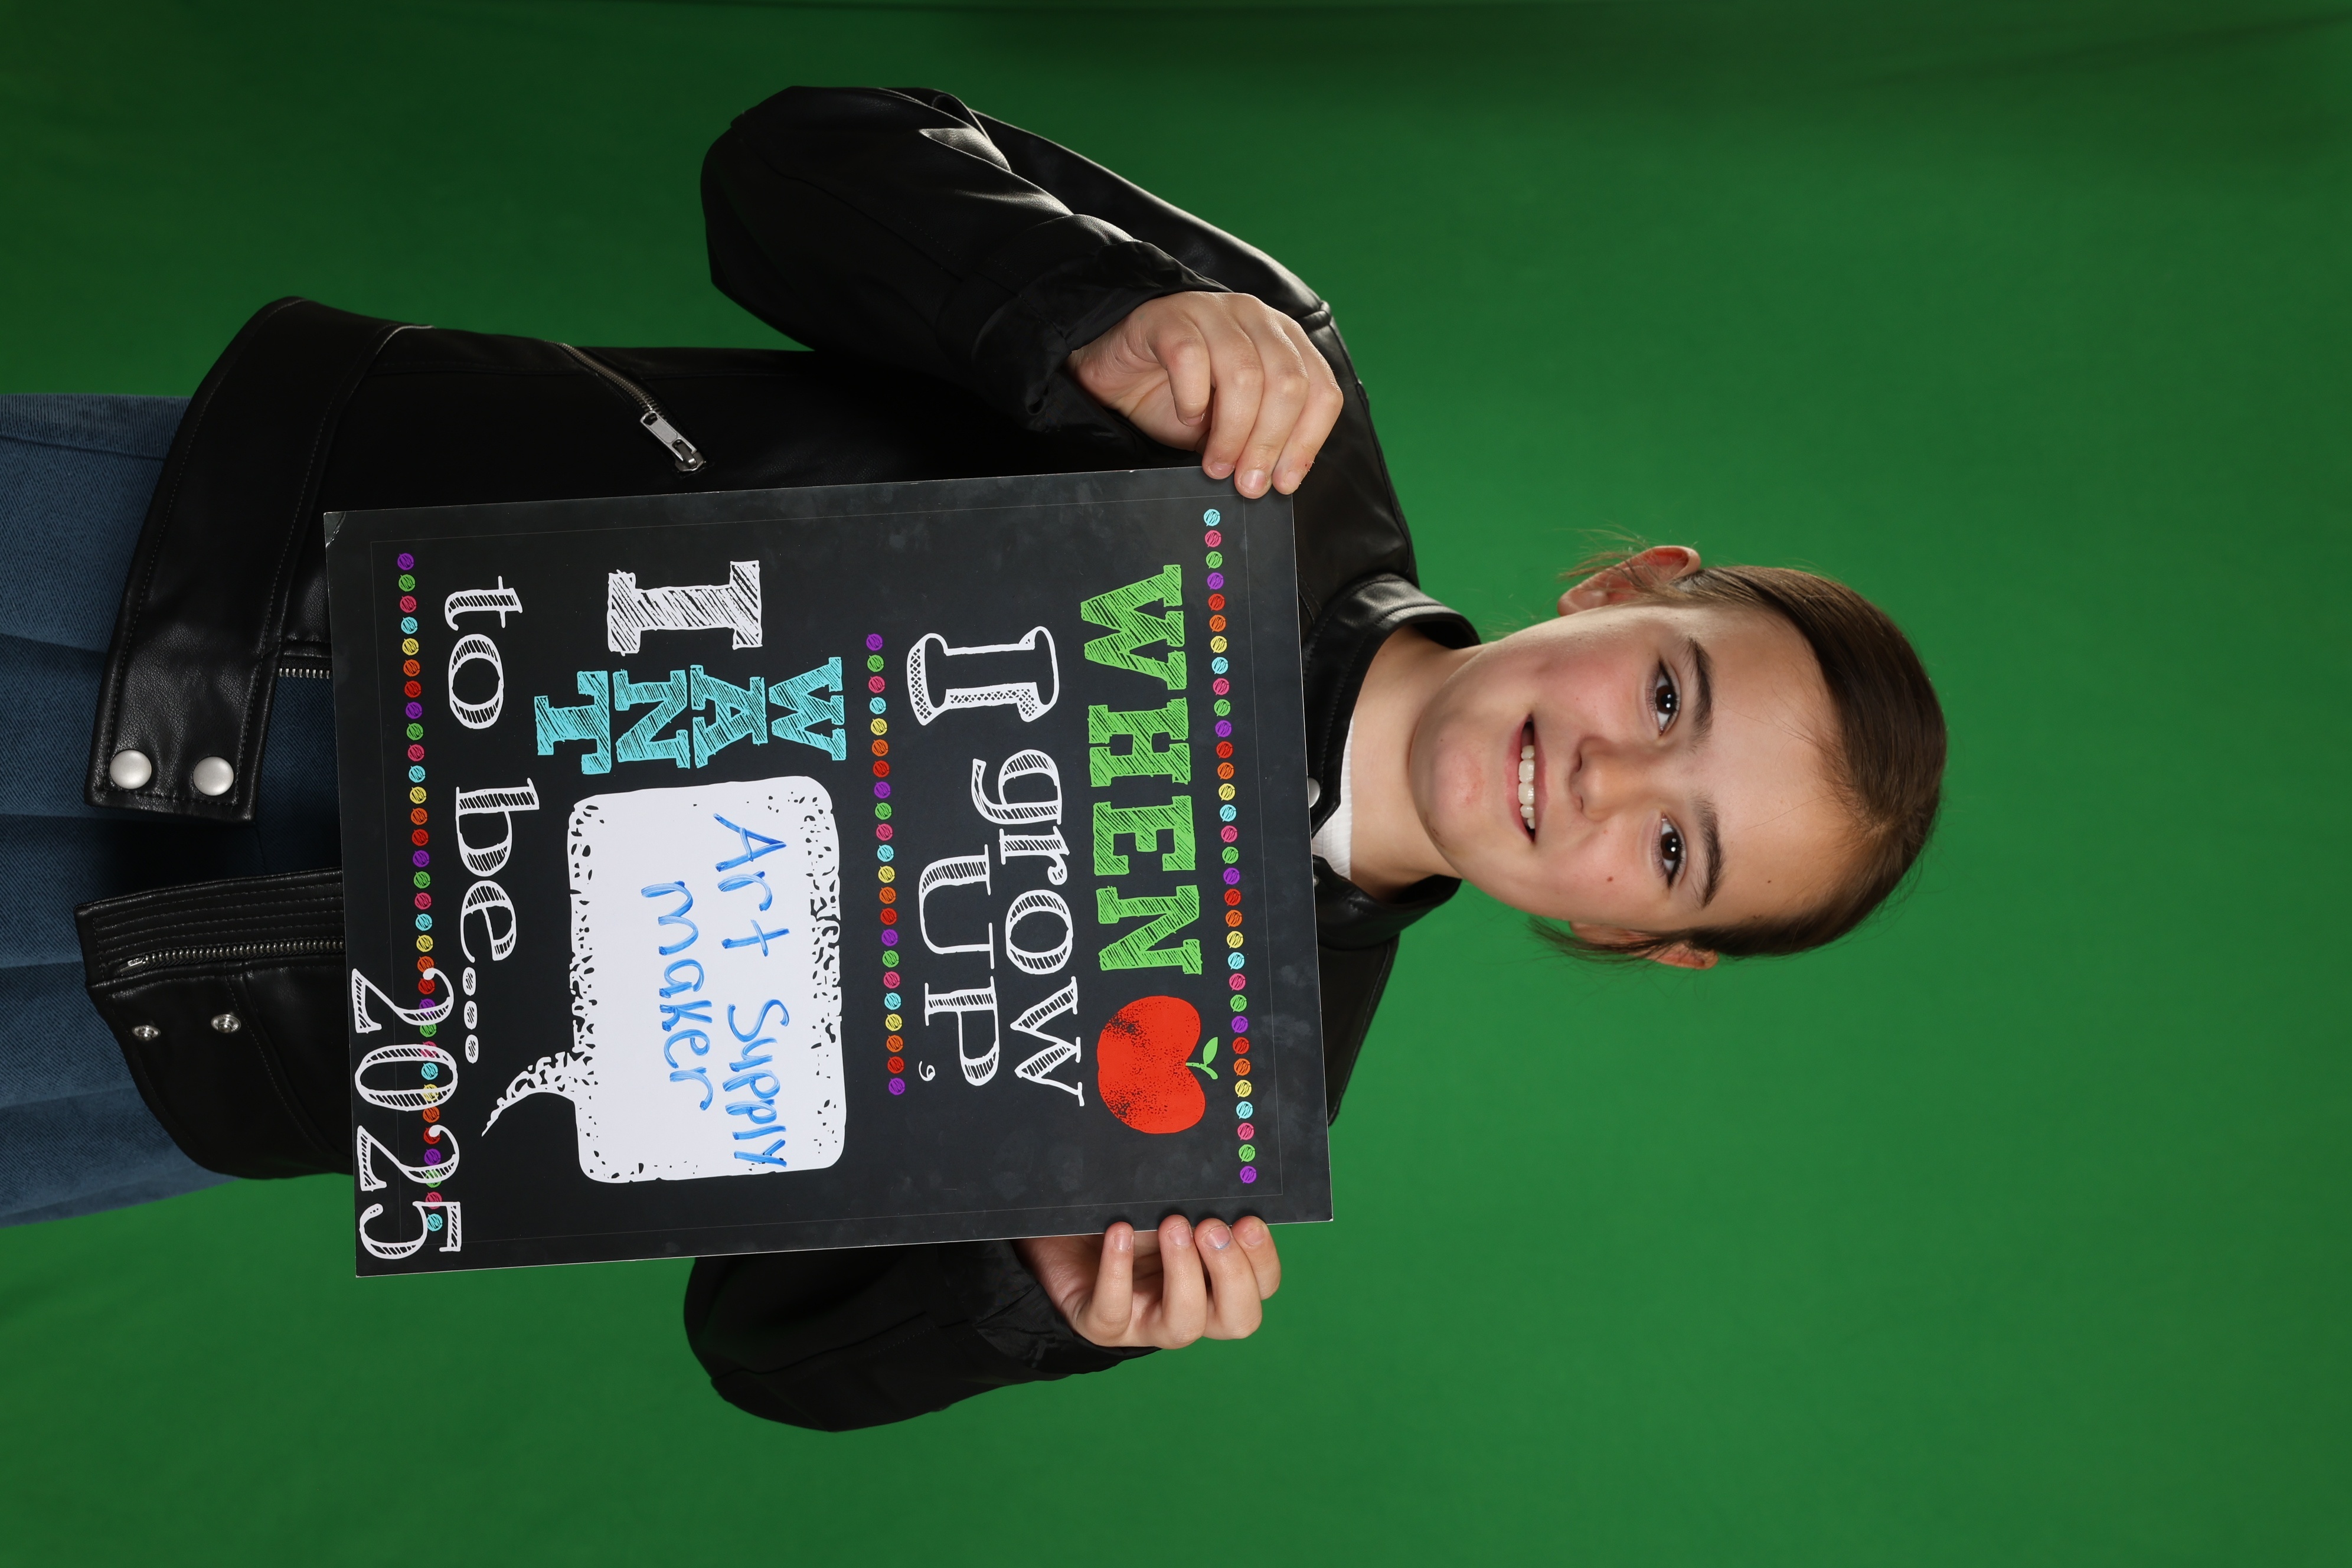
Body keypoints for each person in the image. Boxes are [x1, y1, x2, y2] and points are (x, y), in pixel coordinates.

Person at [8, 86, 1944, 1429]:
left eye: (1675, 850)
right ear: (1630, 586)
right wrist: (1089, 317)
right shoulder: (1273, 406)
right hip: (241, 586)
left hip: (220, 1006)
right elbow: (787, 166)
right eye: (1669, 697)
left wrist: (1031, 1295)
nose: (1605, 780)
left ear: (1635, 939)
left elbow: (762, 1340)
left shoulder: (1211, 1127)